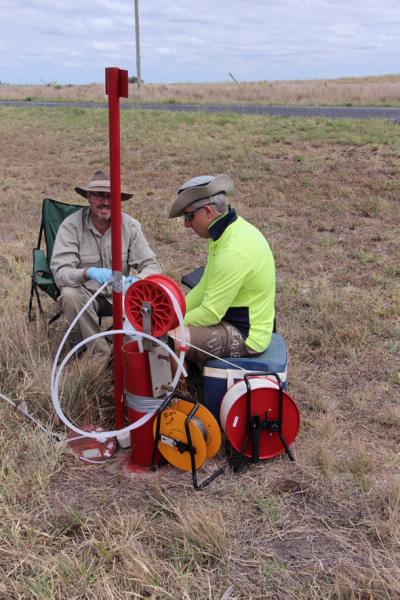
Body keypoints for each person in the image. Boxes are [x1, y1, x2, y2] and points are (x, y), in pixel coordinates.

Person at [168, 174, 275, 369]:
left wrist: (170, 325)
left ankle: (173, 394)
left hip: (247, 336)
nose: (186, 224)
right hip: (234, 321)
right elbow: (204, 287)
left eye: (189, 216)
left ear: (208, 211)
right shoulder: (229, 232)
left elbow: (210, 313)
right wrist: (175, 313)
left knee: (168, 340)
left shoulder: (233, 250)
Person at [51, 170, 160, 355]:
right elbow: (61, 272)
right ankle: (101, 355)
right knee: (69, 295)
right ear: (88, 197)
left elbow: (152, 266)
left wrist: (136, 282)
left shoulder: (131, 226)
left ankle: (130, 351)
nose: (106, 202)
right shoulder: (70, 226)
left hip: (124, 295)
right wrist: (88, 272)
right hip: (87, 296)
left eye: (111, 196)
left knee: (154, 293)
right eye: (99, 196)